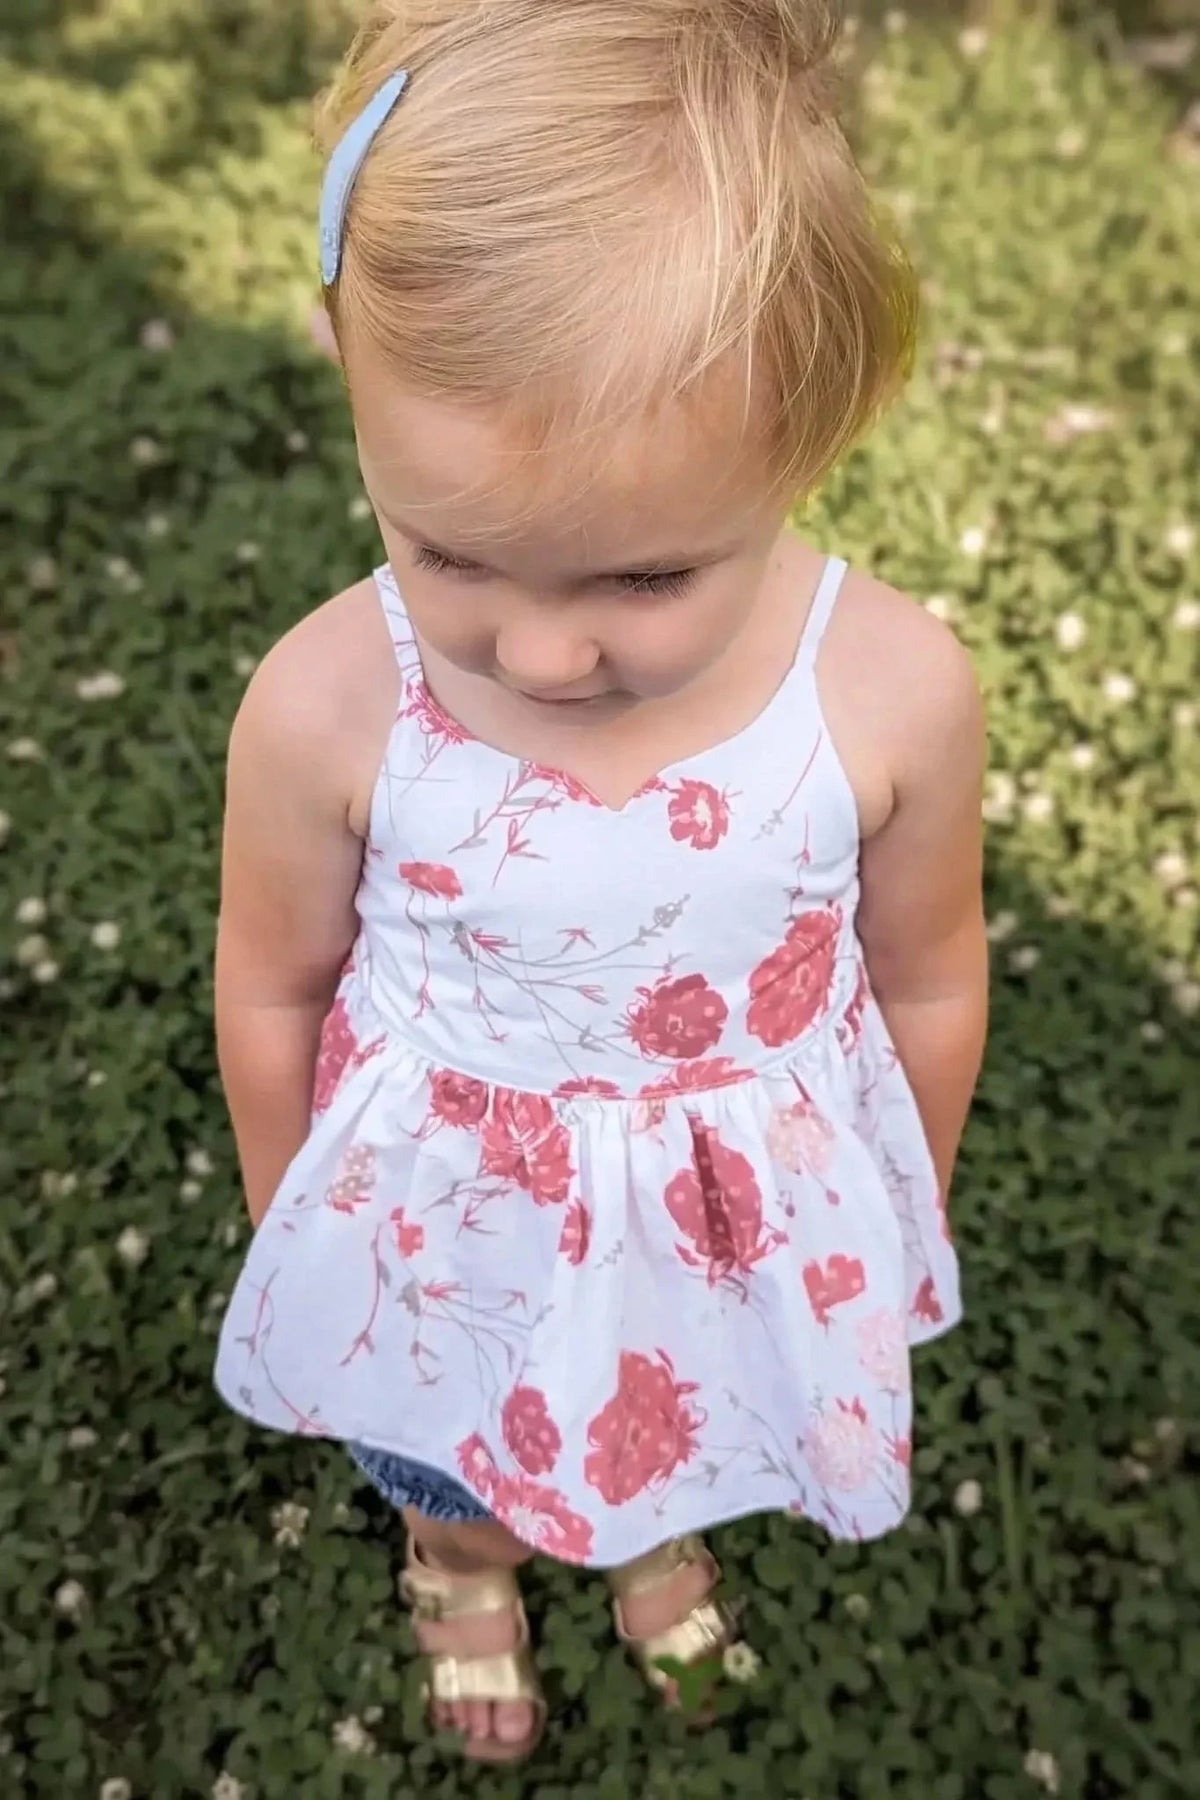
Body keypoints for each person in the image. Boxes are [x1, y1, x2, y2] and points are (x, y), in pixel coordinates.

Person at [213, 0, 987, 1764]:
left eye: (645, 575)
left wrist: (893, 1207)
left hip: (727, 1233)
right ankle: (456, 1561)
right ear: (345, 362)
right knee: (446, 1438)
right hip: (444, 1228)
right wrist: (305, 1234)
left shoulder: (885, 693)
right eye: (454, 552)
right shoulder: (332, 702)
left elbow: (928, 973)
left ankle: (647, 1531)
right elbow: (272, 984)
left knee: (669, 1407)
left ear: (811, 430)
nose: (544, 654)